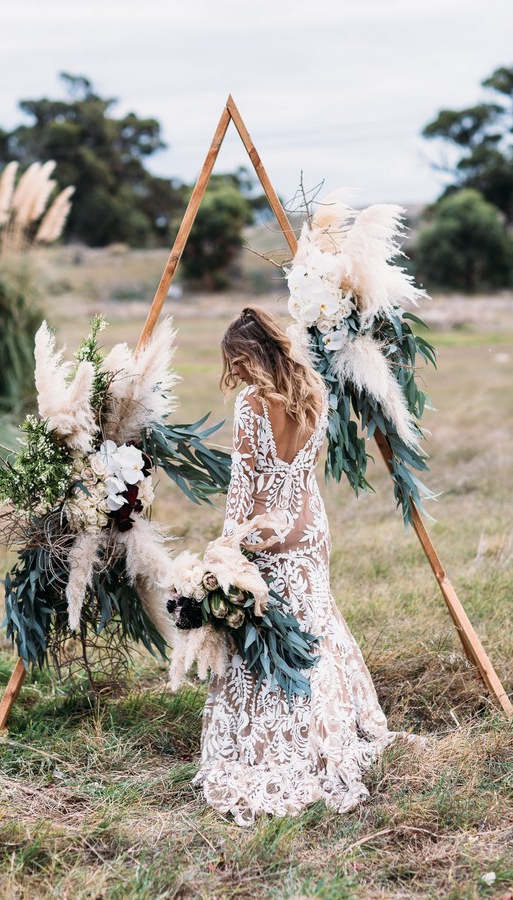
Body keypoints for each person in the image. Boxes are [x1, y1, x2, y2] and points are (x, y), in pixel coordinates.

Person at [192, 306, 423, 825]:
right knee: (315, 629)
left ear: (254, 355)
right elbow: (305, 475)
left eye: (239, 362)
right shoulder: (313, 393)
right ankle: (332, 727)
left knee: (268, 631)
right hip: (311, 530)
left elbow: (243, 484)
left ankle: (280, 737)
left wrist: (229, 547)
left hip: (268, 536)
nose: (238, 374)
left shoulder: (253, 406)